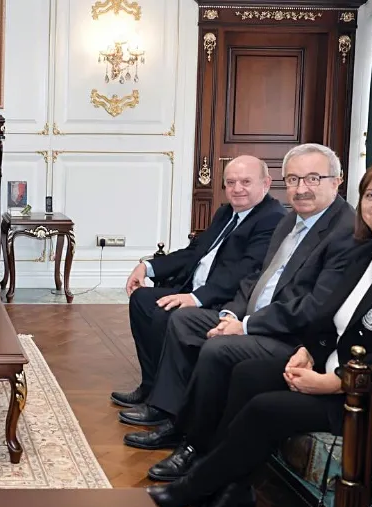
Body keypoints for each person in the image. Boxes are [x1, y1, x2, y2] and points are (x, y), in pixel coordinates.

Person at [147, 161, 372, 507]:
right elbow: (329, 318)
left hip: (363, 395)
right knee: (247, 374)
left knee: (265, 408)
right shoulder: (366, 252)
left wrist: (332, 382)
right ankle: (232, 490)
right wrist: (308, 352)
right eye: (371, 195)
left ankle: (190, 489)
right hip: (328, 366)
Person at [121, 143, 356, 459]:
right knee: (183, 320)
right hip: (250, 313)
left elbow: (314, 306)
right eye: (293, 180)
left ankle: (193, 444)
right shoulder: (290, 220)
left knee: (215, 346)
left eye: (313, 179)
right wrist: (231, 315)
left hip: (292, 335)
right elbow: (256, 277)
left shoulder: (343, 231)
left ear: (336, 181)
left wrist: (243, 325)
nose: (301, 189)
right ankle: (169, 410)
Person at [112, 155, 285, 408]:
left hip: (224, 302)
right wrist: (147, 267)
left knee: (164, 313)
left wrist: (195, 298)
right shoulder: (226, 212)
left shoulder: (272, 218)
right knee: (142, 299)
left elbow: (245, 272)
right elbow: (195, 252)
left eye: (246, 182)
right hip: (194, 289)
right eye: (231, 182)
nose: (237, 189)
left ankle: (166, 403)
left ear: (266, 183)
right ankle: (150, 386)